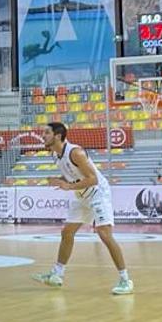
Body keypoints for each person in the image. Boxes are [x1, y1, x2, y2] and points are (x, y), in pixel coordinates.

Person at [32, 121, 133, 295]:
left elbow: (93, 179)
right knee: (67, 233)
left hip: (97, 194)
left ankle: (126, 280)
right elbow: (72, 175)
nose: (43, 136)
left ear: (57, 136)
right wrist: (58, 180)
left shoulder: (75, 152)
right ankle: (57, 274)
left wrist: (68, 186)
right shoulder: (56, 155)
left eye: (47, 133)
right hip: (81, 195)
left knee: (104, 234)